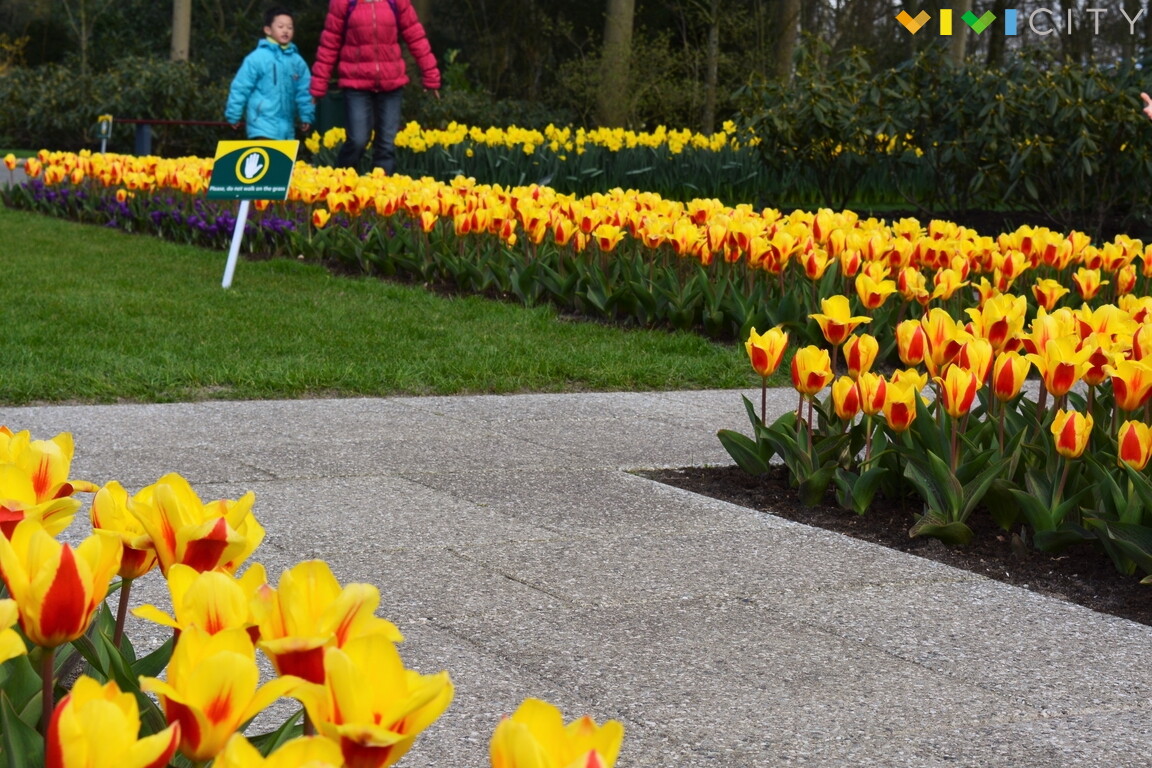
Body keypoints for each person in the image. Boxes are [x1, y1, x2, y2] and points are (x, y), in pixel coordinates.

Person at [310, 0, 440, 174]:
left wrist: (430, 75)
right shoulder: (343, 3)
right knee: (357, 140)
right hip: (356, 84)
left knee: (386, 146)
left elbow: (415, 36)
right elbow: (329, 44)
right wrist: (319, 84)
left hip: (391, 84)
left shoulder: (396, 2)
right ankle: (339, 183)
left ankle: (381, 193)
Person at [225, 6, 315, 140]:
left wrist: (306, 115)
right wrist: (234, 114)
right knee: (266, 159)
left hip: (287, 129)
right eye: (280, 26)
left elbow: (305, 90)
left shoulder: (297, 61)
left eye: (290, 27)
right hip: (261, 125)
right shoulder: (257, 58)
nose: (286, 30)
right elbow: (241, 87)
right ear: (268, 30)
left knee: (283, 160)